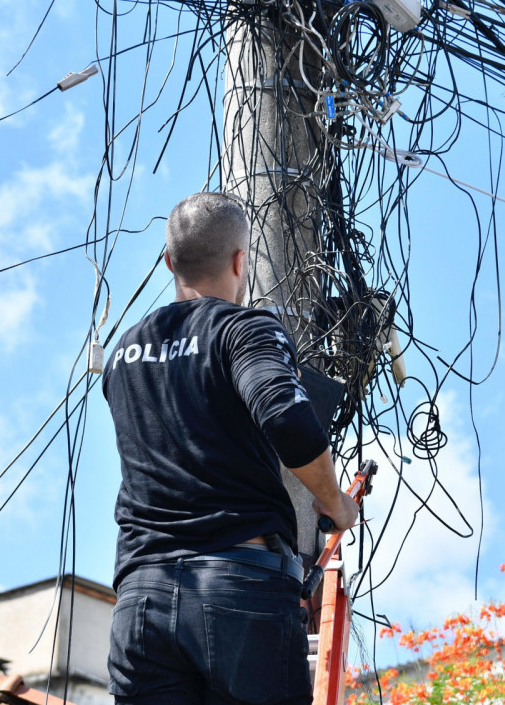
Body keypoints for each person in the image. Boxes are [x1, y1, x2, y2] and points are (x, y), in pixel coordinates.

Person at [102, 191, 360, 704]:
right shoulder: (243, 329)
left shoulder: (122, 353)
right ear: (242, 260)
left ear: (169, 261)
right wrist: (334, 502)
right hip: (237, 588)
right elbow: (285, 414)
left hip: (141, 599)